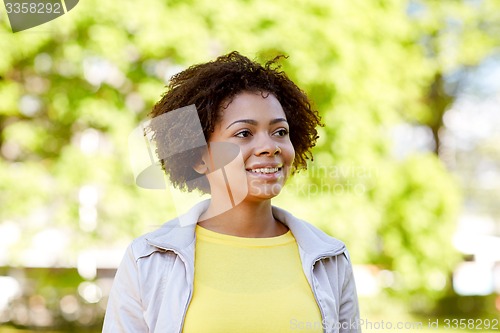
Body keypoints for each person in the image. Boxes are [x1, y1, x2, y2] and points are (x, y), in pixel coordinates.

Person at [103, 52, 360, 333]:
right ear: (199, 156)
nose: (270, 146)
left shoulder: (330, 258)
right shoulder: (148, 259)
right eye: (244, 133)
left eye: (280, 131)